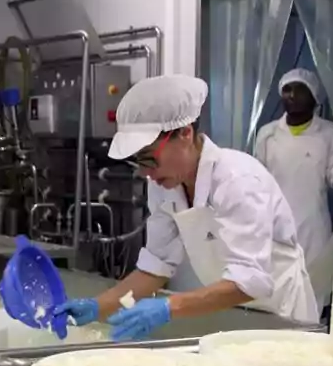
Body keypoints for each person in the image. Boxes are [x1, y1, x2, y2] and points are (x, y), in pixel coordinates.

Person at [55, 74, 318, 341]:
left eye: (149, 159)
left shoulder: (239, 180)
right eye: (138, 162)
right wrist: (99, 306)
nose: (146, 173)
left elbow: (251, 280)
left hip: (282, 316)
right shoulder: (163, 184)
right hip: (229, 311)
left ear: (185, 134)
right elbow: (157, 265)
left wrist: (170, 307)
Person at [254, 68, 333, 267]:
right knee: (277, 285)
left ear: (314, 97)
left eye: (300, 90)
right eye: (287, 90)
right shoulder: (268, 134)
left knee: (312, 286)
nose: (292, 96)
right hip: (274, 224)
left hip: (313, 227)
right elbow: (257, 181)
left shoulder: (330, 134)